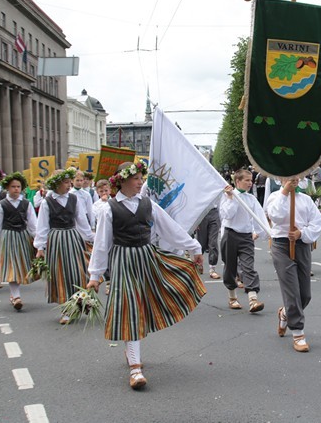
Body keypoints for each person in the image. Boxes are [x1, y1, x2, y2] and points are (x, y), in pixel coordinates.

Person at [86, 162, 205, 389]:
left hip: (146, 258)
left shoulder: (147, 204)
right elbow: (102, 243)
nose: (141, 182)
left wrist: (194, 247)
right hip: (122, 261)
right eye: (137, 178)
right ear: (122, 181)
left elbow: (169, 228)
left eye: (142, 178)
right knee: (130, 308)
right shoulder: (109, 208)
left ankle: (132, 352)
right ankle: (135, 369)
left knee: (147, 303)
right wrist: (95, 274)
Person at [266, 177, 321, 353]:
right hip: (281, 244)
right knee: (291, 288)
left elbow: (317, 222)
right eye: (290, 177)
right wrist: (285, 192)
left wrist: (301, 233)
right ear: (281, 179)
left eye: (297, 177)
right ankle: (298, 333)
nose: (295, 180)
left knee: (304, 295)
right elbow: (274, 215)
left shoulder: (306, 200)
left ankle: (285, 312)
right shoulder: (275, 196)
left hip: (301, 244)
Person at [34, 168, 96, 324]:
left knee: (77, 271)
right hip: (56, 239)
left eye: (70, 182)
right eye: (66, 182)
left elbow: (81, 220)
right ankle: (65, 309)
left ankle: (78, 301)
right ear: (57, 184)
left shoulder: (74, 199)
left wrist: (90, 238)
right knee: (60, 273)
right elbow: (42, 226)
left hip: (73, 236)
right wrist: (40, 247)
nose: (69, 185)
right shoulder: (47, 201)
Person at [220, 169, 270, 312]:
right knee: (230, 267)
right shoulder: (228, 196)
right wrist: (231, 198)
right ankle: (232, 297)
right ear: (237, 181)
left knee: (248, 267)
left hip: (246, 236)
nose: (250, 183)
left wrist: (265, 233)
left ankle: (253, 299)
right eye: (247, 180)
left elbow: (258, 216)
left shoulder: (251, 199)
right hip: (230, 234)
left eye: (251, 180)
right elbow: (227, 215)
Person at [0, 172, 38, 311]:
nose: (16, 189)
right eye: (13, 186)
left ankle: (13, 294)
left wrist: (37, 240)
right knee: (12, 266)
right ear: (7, 188)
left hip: (23, 236)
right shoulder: (2, 205)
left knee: (21, 266)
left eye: (18, 186)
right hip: (8, 236)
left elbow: (33, 223)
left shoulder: (26, 204)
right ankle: (16, 296)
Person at [196, 201, 221, 279]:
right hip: (201, 212)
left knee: (213, 243)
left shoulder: (217, 188)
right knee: (201, 243)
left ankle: (212, 269)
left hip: (214, 212)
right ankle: (199, 263)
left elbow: (221, 201)